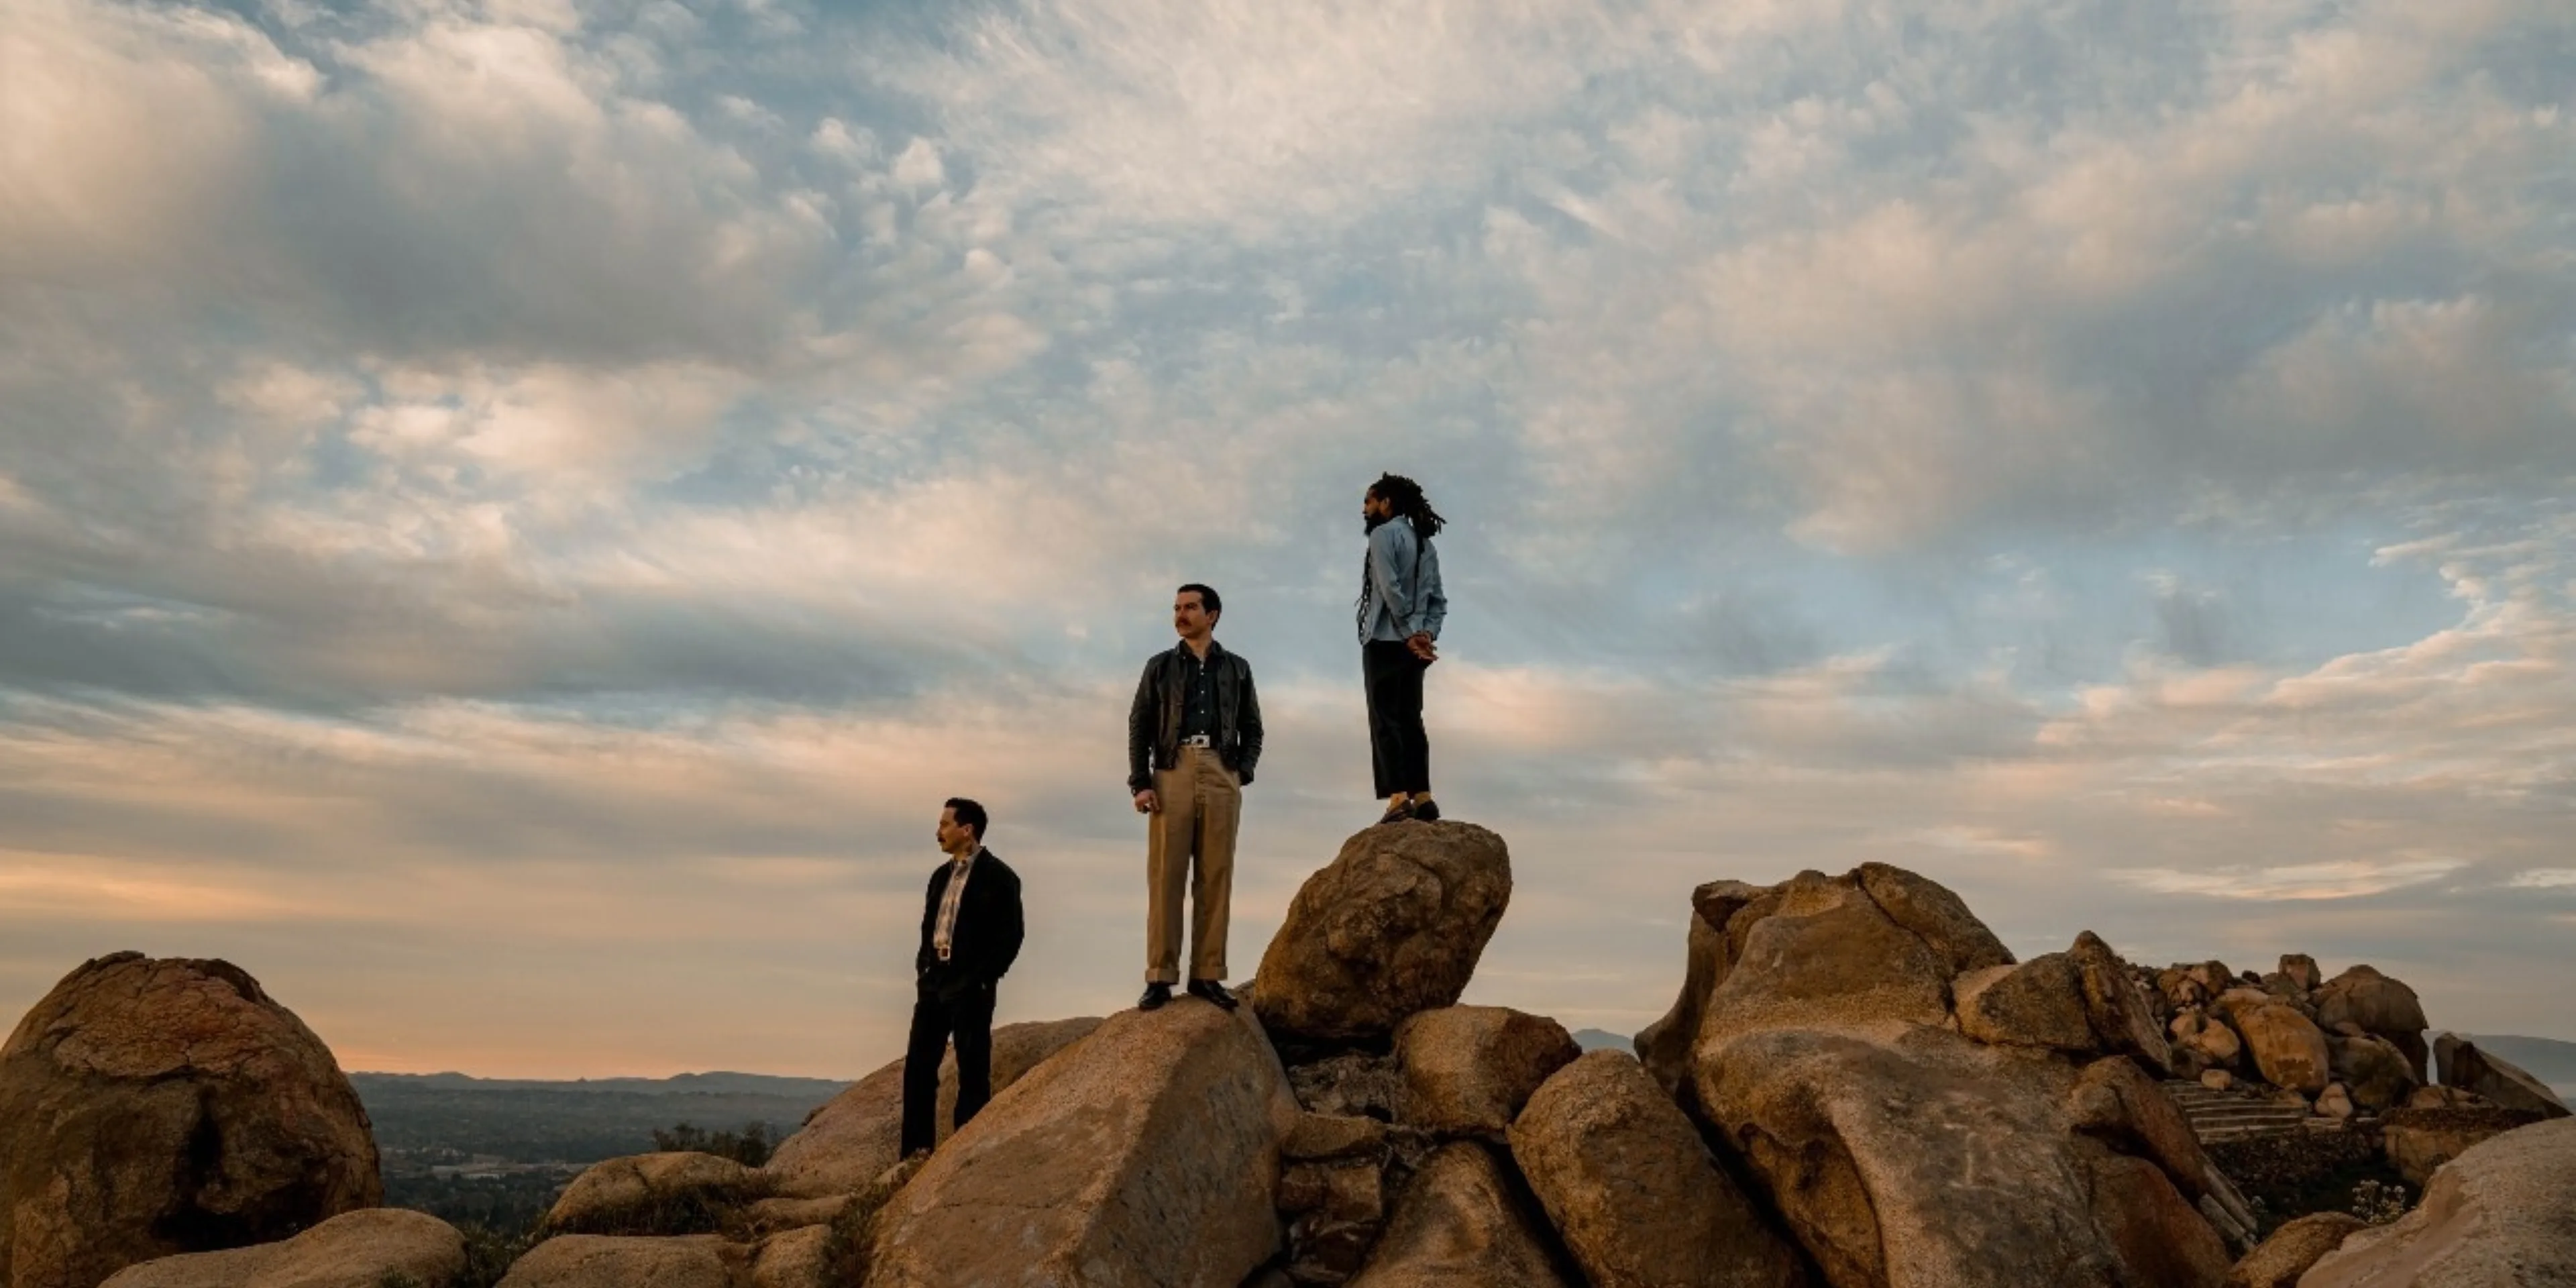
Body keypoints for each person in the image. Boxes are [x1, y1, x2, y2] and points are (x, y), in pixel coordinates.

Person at [1127, 583, 1264, 1012]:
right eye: (1177, 608)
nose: (1181, 614)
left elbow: (1253, 726)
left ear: (1213, 615)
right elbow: (1140, 724)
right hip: (1172, 769)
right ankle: (1159, 977)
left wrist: (1241, 769)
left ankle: (1207, 974)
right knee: (1166, 876)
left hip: (1221, 768)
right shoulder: (1160, 666)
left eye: (1190, 607)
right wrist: (1141, 782)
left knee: (1215, 875)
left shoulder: (1237, 668)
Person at [900, 797, 1023, 1158]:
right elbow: (929, 928)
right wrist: (924, 968)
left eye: (944, 824)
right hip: (935, 981)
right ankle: (914, 1156)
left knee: (973, 1072)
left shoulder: (1000, 877)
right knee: (919, 1070)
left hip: (971, 984)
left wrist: (984, 978)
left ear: (966, 830)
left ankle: (963, 1156)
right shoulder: (940, 876)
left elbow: (1012, 935)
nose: (938, 832)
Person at [1358, 474, 1448, 824]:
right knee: (1411, 718)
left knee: (1386, 719)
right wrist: (1427, 633)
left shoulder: (1383, 535)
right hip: (1416, 648)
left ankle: (1398, 797)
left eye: (1369, 501)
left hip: (1385, 639)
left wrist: (1410, 633)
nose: (1364, 509)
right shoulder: (1426, 544)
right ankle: (1423, 795)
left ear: (1386, 502)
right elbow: (1438, 600)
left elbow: (1388, 586)